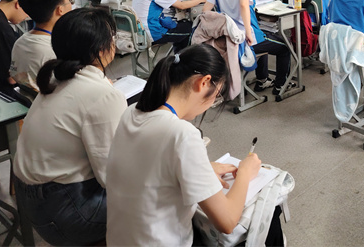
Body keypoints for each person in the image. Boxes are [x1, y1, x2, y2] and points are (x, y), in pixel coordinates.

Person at [106, 45, 283, 246]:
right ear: (203, 82)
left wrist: (204, 169)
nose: (212, 102)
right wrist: (244, 173)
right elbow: (227, 222)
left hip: (120, 240)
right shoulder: (182, 134)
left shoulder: (131, 112)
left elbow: (150, 168)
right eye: (216, 95)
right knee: (269, 218)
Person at [13, 8, 128, 246]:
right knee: (165, 197)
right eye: (112, 38)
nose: (114, 44)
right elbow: (111, 177)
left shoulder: (56, 79)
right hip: (64, 211)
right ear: (101, 49)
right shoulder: (102, 95)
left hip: (32, 197)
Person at [202, 0, 291, 95]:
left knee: (264, 38)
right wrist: (248, 33)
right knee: (285, 47)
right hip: (247, 38)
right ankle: (281, 85)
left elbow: (205, 11)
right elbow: (244, 4)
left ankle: (262, 80)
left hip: (230, 38)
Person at [10, 0, 72, 93]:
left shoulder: (20, 42)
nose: (71, 5)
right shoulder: (52, 50)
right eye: (69, 1)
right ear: (60, 10)